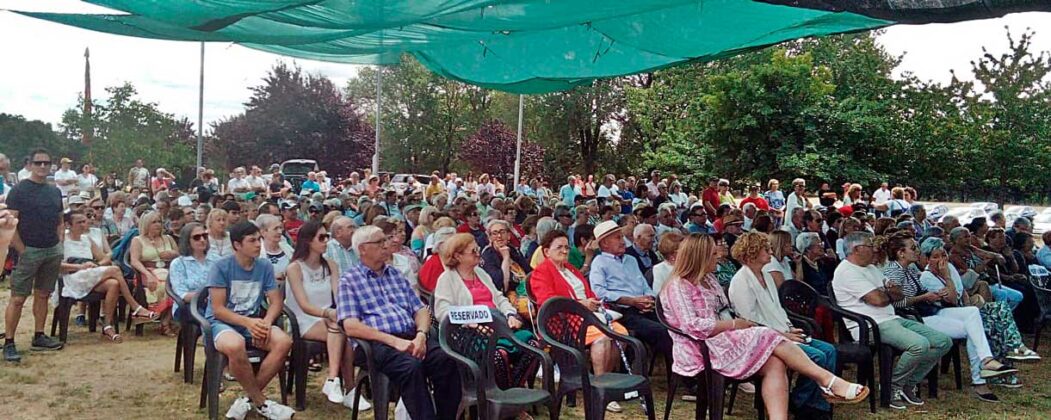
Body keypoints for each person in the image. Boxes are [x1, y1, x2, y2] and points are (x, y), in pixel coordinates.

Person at [662, 233, 867, 420]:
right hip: (701, 349)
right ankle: (829, 381)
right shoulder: (678, 286)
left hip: (725, 340)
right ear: (700, 257)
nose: (720, 256)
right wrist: (735, 324)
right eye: (714, 254)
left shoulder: (709, 279)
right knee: (765, 333)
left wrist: (739, 325)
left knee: (775, 361)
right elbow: (692, 326)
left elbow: (725, 309)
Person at [337, 226, 461, 420]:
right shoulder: (349, 280)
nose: (386, 245)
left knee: (447, 359)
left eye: (385, 240)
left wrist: (420, 335)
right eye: (380, 242)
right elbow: (350, 326)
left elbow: (420, 309)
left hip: (411, 336)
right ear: (362, 249)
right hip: (377, 343)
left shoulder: (394, 275)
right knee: (412, 367)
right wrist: (394, 342)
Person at [881, 234, 1018, 402]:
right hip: (913, 317)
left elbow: (948, 298)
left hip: (930, 309)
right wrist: (925, 297)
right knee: (972, 329)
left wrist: (939, 290)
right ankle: (980, 379)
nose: (918, 252)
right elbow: (895, 304)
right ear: (901, 253)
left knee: (972, 313)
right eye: (914, 248)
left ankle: (986, 360)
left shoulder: (911, 269)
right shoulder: (893, 271)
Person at [832, 231, 951, 410]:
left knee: (943, 342)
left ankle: (909, 383)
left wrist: (884, 293)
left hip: (891, 318)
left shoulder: (871, 268)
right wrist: (885, 293)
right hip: (870, 325)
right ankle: (892, 387)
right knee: (920, 344)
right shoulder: (846, 272)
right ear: (857, 249)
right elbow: (879, 300)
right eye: (870, 246)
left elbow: (897, 294)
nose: (875, 249)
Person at [727, 232, 840, 418]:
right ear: (752, 253)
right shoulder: (740, 282)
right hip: (764, 339)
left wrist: (788, 327)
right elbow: (750, 321)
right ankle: (799, 402)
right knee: (818, 356)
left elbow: (778, 309)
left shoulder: (766, 276)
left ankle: (817, 406)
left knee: (829, 351)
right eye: (766, 249)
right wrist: (783, 335)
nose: (770, 252)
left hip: (781, 331)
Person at [529, 229, 629, 413]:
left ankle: (603, 379)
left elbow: (589, 293)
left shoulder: (571, 269)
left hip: (588, 317)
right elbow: (548, 303)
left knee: (622, 334)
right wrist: (580, 304)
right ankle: (600, 391)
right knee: (603, 338)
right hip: (563, 323)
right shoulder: (541, 273)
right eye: (559, 247)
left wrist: (595, 303)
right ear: (546, 251)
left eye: (567, 247)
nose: (565, 251)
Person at [205, 222, 295, 419]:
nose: (257, 244)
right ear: (237, 245)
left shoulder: (264, 266)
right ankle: (261, 401)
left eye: (259, 240)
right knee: (235, 345)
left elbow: (276, 302)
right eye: (252, 240)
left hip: (253, 321)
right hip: (222, 323)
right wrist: (249, 323)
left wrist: (267, 322)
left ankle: (247, 400)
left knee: (284, 341)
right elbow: (218, 310)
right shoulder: (221, 267)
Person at [433, 233, 539, 388]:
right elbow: (442, 312)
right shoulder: (447, 278)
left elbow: (499, 297)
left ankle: (512, 391)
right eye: (473, 251)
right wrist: (471, 323)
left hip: (498, 326)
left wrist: (510, 314)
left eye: (478, 249)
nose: (479, 253)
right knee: (498, 356)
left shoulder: (481, 273)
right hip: (470, 334)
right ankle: (505, 400)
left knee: (532, 344)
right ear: (458, 256)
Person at [284, 221, 369, 409]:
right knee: (339, 328)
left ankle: (340, 385)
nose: (325, 241)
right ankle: (341, 384)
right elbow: (303, 305)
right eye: (321, 238)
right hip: (303, 319)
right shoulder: (294, 268)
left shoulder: (331, 265)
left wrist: (344, 311)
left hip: (328, 318)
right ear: (307, 241)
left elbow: (339, 295)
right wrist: (329, 313)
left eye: (326, 237)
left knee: (342, 330)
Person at [921, 237, 1040, 364]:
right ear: (928, 259)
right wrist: (947, 277)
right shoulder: (927, 277)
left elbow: (962, 291)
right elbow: (953, 300)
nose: (941, 260)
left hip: (965, 308)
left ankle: (1014, 350)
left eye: (944, 255)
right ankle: (1013, 352)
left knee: (1000, 309)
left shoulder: (949, 267)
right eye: (936, 257)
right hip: (949, 314)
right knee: (994, 322)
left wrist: (969, 304)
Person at [4, 149, 67, 361]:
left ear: (51, 165)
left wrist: (60, 244)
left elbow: (60, 220)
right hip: (28, 250)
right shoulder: (19, 191)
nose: (42, 167)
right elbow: (11, 224)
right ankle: (9, 342)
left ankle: (39, 335)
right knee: (18, 298)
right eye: (38, 163)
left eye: (46, 163)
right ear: (30, 164)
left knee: (43, 295)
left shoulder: (54, 191)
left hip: (51, 249)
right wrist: (22, 250)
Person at [588, 220, 673, 375]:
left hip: (644, 307)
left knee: (675, 324)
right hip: (623, 311)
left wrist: (648, 299)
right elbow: (599, 292)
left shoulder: (631, 260)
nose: (623, 242)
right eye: (618, 238)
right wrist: (631, 301)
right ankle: (684, 378)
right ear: (605, 243)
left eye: (622, 237)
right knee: (662, 331)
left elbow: (645, 286)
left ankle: (686, 372)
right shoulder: (599, 263)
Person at [60, 210, 155, 342]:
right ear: (68, 224)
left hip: (89, 273)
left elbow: (104, 258)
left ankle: (107, 326)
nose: (83, 224)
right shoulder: (62, 240)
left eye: (84, 221)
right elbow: (58, 266)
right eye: (79, 222)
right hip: (73, 277)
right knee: (115, 270)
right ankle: (135, 307)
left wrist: (94, 264)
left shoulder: (87, 239)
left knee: (114, 284)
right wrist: (80, 266)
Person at [129, 211, 180, 336]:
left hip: (168, 270)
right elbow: (134, 261)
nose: (158, 225)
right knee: (164, 285)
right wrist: (147, 274)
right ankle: (162, 320)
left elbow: (180, 258)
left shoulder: (168, 238)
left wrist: (173, 254)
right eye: (154, 222)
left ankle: (166, 320)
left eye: (159, 221)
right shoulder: (137, 240)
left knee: (177, 285)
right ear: (146, 224)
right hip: (147, 272)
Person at [169, 223, 217, 324]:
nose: (202, 240)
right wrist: (206, 297)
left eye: (204, 236)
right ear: (187, 241)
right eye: (197, 237)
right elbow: (182, 294)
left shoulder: (217, 260)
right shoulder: (178, 263)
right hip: (190, 305)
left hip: (216, 303)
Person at [256, 215, 293, 289]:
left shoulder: (288, 249)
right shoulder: (257, 254)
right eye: (275, 229)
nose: (280, 232)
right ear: (263, 232)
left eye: (280, 228)